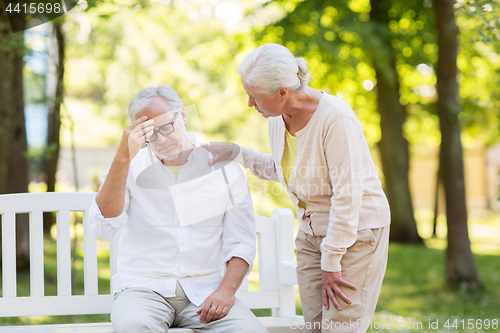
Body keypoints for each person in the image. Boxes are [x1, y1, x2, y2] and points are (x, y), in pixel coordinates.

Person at [208, 43, 391, 333]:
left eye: (254, 97)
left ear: (282, 92)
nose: (249, 104)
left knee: (340, 327)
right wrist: (235, 152)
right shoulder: (278, 118)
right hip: (311, 232)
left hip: (355, 232)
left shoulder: (335, 118)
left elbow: (348, 194)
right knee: (315, 327)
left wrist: (332, 260)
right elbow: (288, 171)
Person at [88, 84, 268, 333]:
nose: (160, 140)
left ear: (182, 115)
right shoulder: (128, 167)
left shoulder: (223, 169)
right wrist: (122, 157)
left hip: (206, 293)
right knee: (134, 327)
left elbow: (242, 243)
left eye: (166, 127)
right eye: (149, 134)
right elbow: (103, 227)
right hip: (143, 290)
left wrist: (226, 291)